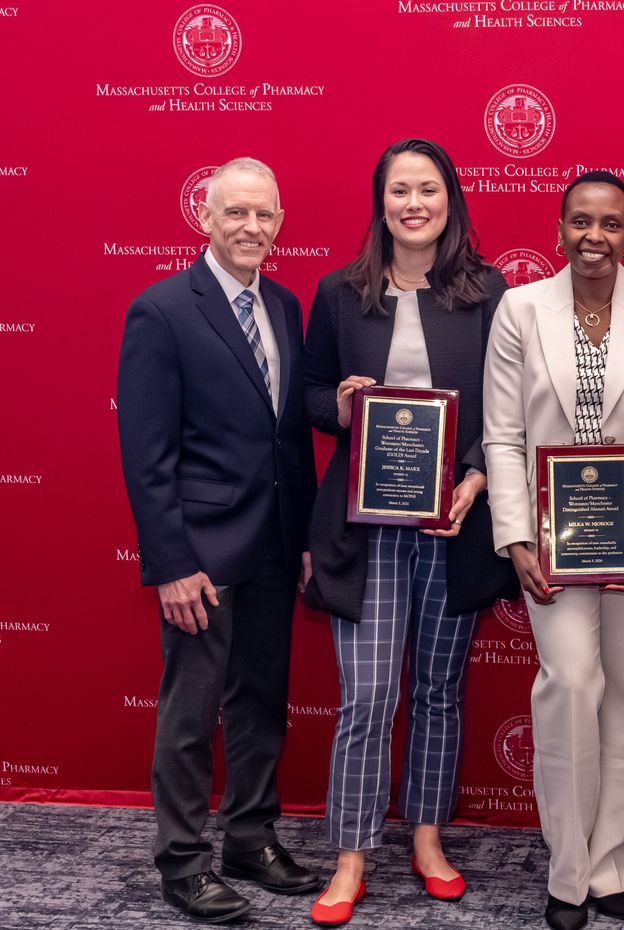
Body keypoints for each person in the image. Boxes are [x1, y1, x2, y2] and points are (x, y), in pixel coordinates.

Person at [300, 138, 516, 926]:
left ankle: (427, 838)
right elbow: (311, 397)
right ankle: (351, 854)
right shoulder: (337, 292)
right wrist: (345, 406)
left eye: (428, 189)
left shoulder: (488, 290)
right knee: (365, 696)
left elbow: (509, 406)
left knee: (437, 691)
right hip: (364, 527)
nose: (413, 204)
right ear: (380, 202)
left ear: (451, 200)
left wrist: (479, 477)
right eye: (399, 190)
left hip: (453, 521)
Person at [483, 171, 624, 930]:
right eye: (580, 221)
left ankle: (611, 870)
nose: (593, 237)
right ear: (559, 229)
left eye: (610, 224)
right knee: (571, 687)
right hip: (552, 542)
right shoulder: (519, 308)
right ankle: (566, 875)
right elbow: (503, 434)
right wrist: (514, 536)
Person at [117, 157, 320, 923]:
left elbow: (289, 439)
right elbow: (147, 455)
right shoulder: (162, 309)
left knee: (262, 704)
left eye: (265, 214)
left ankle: (250, 838)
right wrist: (170, 564)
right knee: (191, 713)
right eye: (236, 213)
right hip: (200, 555)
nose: (251, 227)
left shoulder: (286, 305)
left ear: (279, 222)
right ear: (204, 217)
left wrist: (300, 536)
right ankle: (180, 862)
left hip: (271, 546)